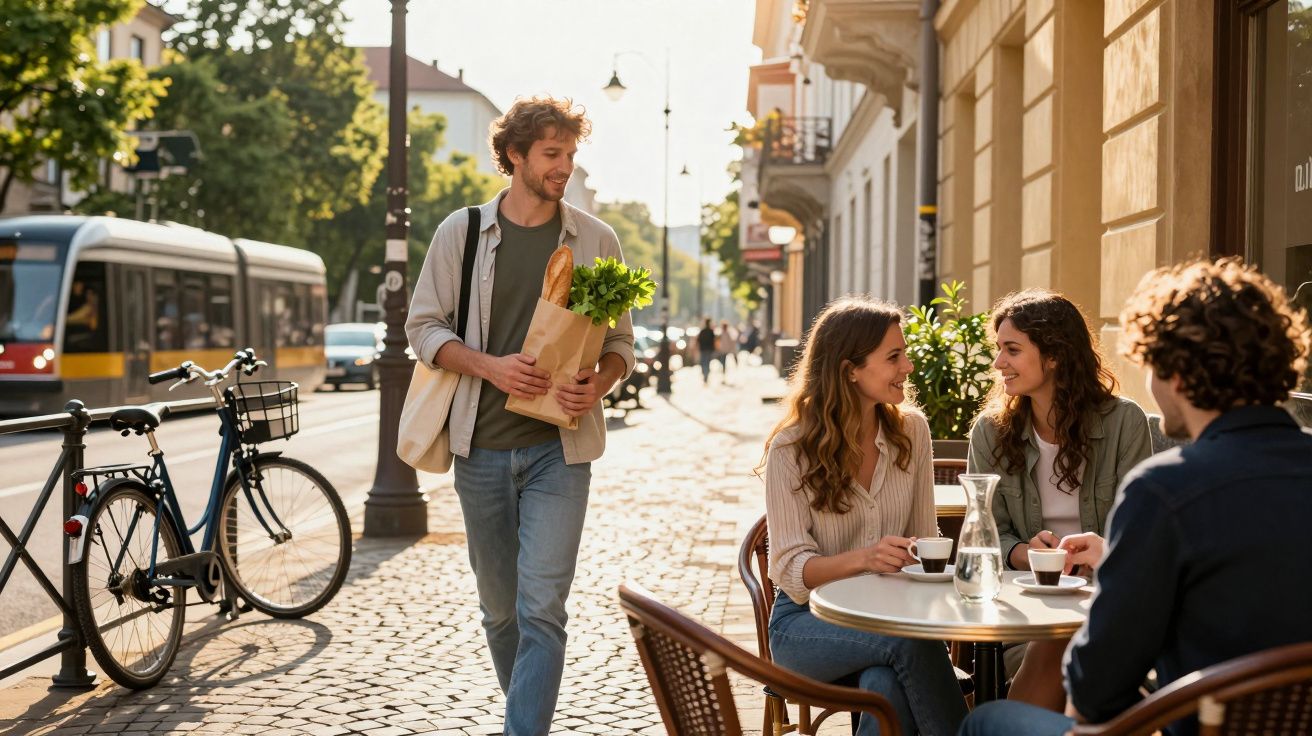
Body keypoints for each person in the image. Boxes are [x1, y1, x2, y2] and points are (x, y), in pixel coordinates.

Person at [960, 258, 1312, 736]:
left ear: (1177, 374)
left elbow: (1095, 692)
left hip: (1193, 724)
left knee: (986, 720)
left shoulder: (1166, 492)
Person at [406, 97, 636, 736]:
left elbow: (621, 345)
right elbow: (423, 329)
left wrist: (599, 383)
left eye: (571, 154)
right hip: (479, 450)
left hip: (560, 454)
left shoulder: (596, 239)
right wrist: (491, 367)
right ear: (514, 155)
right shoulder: (462, 233)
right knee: (501, 612)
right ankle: (526, 713)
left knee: (543, 610)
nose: (565, 167)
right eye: (552, 154)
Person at [762, 296, 968, 736]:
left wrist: (918, 555)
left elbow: (924, 536)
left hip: (890, 616)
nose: (908, 367)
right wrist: (866, 558)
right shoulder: (791, 448)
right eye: (894, 357)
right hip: (806, 624)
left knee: (883, 686)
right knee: (907, 641)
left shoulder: (912, 431)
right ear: (849, 369)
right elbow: (791, 572)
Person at [966, 289, 1151, 710]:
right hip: (1027, 611)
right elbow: (987, 536)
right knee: (1073, 656)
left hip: (1107, 603)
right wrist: (1025, 553)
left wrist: (1098, 555)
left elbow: (1140, 537)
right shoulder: (991, 432)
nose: (998, 363)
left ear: (1054, 355)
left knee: (1083, 649)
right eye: (999, 349)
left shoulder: (1124, 422)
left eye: (1012, 350)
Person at [696, 317, 716, 384]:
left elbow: (698, 340)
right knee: (707, 362)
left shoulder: (703, 331)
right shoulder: (710, 331)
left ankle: (705, 374)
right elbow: (713, 341)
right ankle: (706, 374)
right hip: (708, 349)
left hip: (703, 349)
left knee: (703, 362)